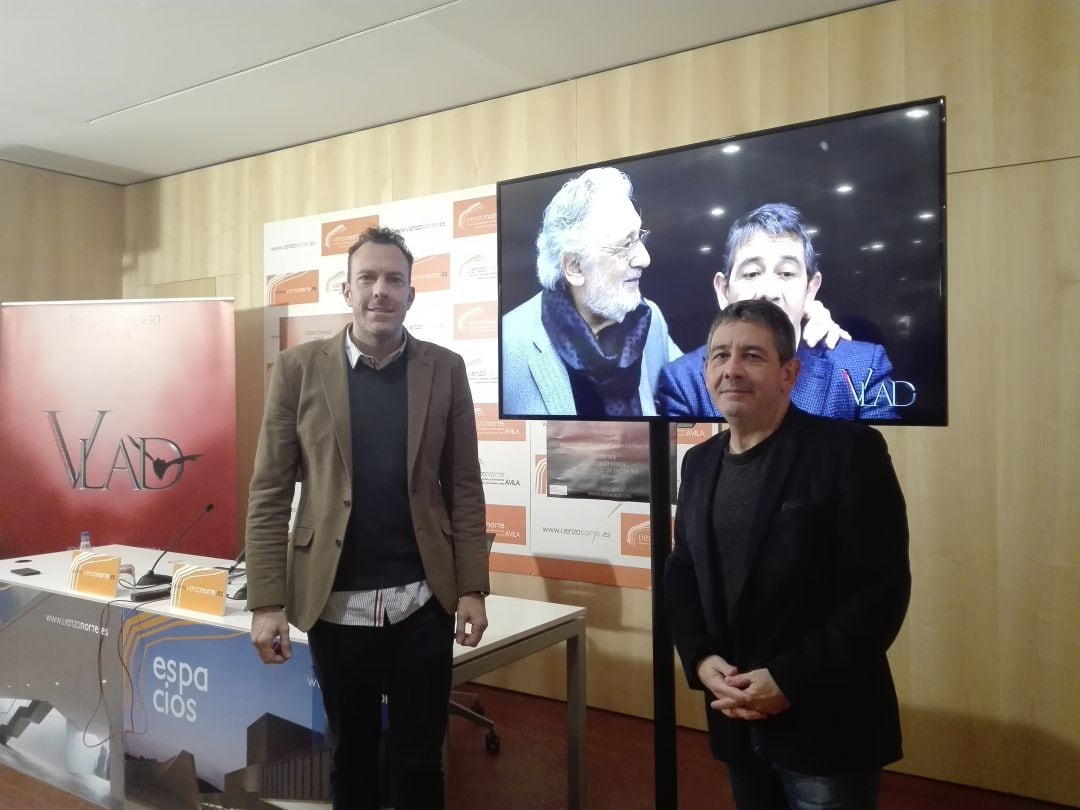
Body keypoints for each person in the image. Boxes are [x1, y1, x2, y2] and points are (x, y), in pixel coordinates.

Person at [244, 226, 490, 810]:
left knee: (418, 760)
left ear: (410, 292)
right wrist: (266, 601)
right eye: (368, 279)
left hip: (423, 603)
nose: (381, 290)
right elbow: (270, 492)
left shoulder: (445, 369)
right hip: (334, 604)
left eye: (394, 279)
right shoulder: (299, 369)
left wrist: (474, 587)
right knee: (350, 755)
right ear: (347, 289)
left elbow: (464, 486)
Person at [665, 299, 910, 810]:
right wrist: (700, 657)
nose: (731, 369)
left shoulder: (848, 451)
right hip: (734, 715)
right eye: (719, 355)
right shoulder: (699, 462)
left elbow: (880, 593)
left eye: (752, 355)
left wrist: (789, 680)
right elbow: (683, 573)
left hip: (824, 724)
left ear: (788, 373)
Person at [656, 202, 899, 420]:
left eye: (786, 273)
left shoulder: (862, 367)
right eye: (752, 273)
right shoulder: (683, 380)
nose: (768, 291)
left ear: (811, 289)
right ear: (723, 290)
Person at [501, 166, 681, 417]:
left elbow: (697, 385)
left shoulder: (649, 321)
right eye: (625, 244)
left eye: (638, 237)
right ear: (574, 267)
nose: (644, 258)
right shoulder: (508, 345)